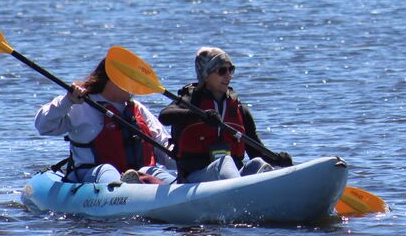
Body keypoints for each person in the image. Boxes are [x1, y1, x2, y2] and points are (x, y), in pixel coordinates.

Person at [158, 47, 292, 183]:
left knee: (257, 164)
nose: (228, 75)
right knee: (224, 161)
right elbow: (164, 116)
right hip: (194, 178)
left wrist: (277, 160)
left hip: (231, 178)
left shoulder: (239, 109)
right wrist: (199, 115)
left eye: (231, 69)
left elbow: (255, 151)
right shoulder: (190, 101)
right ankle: (239, 193)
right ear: (206, 75)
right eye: (222, 71)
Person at [35, 57, 176, 184]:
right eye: (129, 79)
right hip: (93, 177)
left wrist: (187, 158)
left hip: (140, 175)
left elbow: (164, 147)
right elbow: (43, 126)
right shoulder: (80, 104)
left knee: (152, 171)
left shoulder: (138, 110)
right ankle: (122, 189)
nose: (134, 85)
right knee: (106, 170)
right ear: (111, 79)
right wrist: (66, 101)